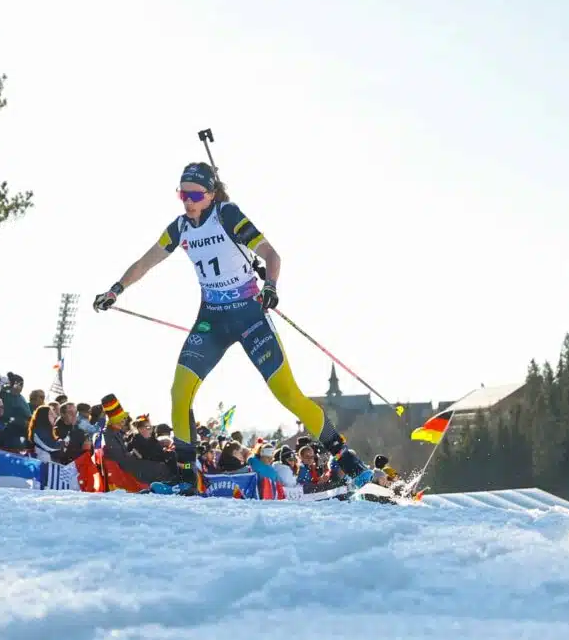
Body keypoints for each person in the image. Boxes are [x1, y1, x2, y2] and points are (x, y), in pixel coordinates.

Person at [92, 161, 372, 492]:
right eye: (183, 193)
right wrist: (115, 289)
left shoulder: (227, 215)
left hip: (249, 316)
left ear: (211, 194)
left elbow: (271, 254)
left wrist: (271, 286)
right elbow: (145, 261)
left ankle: (350, 464)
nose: (188, 200)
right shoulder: (180, 228)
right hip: (212, 319)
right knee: (179, 393)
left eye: (195, 194)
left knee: (288, 394)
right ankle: (185, 478)